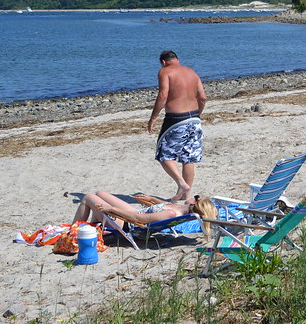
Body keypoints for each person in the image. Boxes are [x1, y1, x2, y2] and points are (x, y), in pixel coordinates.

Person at [148, 50, 207, 201]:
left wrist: (153, 117)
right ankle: (187, 196)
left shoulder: (165, 71)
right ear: (177, 59)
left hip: (175, 119)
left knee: (163, 154)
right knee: (188, 158)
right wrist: (197, 114)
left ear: (163, 61)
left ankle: (182, 184)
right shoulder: (191, 72)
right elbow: (202, 97)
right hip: (194, 119)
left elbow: (163, 95)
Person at [72, 190, 217, 235]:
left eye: (197, 198)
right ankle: (92, 225)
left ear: (194, 203)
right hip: (135, 213)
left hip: (128, 224)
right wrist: (151, 198)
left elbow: (138, 218)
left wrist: (112, 210)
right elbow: (163, 205)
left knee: (89, 197)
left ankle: (73, 231)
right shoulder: (180, 209)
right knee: (100, 193)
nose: (194, 196)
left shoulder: (172, 215)